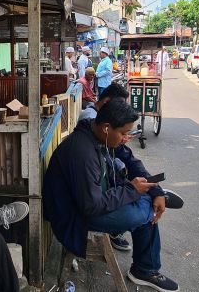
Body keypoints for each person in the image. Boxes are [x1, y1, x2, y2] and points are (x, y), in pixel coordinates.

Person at [43, 98, 180, 292]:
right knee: (143, 213)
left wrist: (154, 190)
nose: (126, 138)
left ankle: (145, 266)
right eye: (123, 133)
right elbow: (91, 206)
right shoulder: (82, 152)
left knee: (143, 201)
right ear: (107, 127)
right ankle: (145, 266)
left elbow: (132, 162)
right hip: (73, 216)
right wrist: (133, 191)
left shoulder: (100, 135)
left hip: (95, 198)